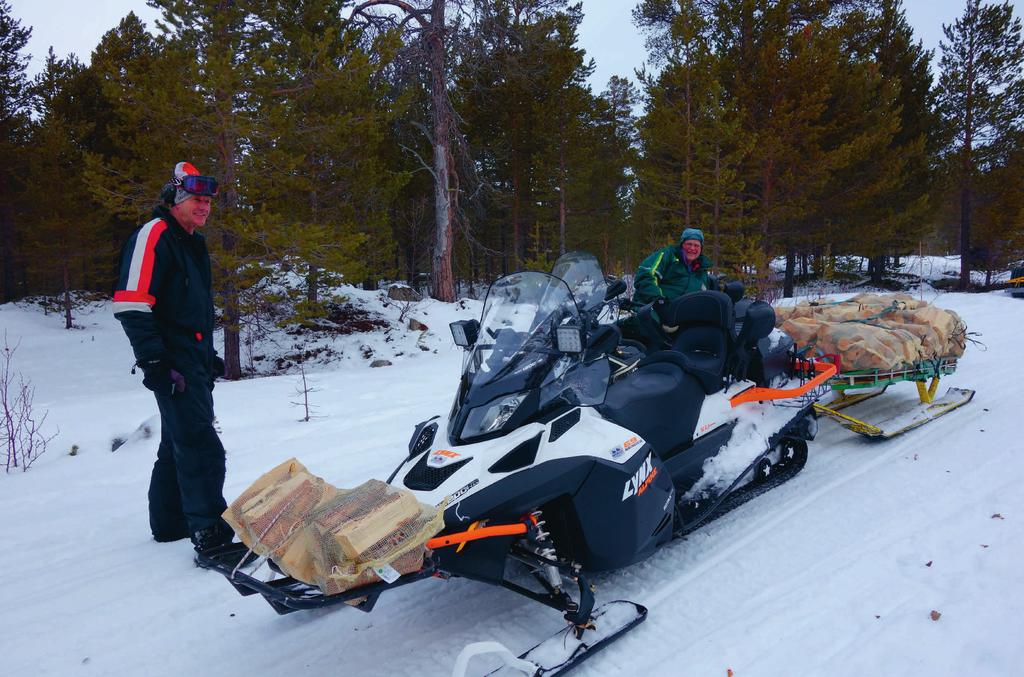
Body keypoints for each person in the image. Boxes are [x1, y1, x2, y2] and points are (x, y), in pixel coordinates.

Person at [113, 161, 234, 554]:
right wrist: (154, 362)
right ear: (177, 198)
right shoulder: (155, 235)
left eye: (207, 201)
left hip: (192, 357)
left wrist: (207, 355)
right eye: (196, 199)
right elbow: (132, 304)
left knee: (178, 440)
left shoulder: (191, 240)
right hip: (171, 360)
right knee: (200, 444)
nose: (203, 207)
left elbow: (190, 308)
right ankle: (209, 533)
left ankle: (169, 523)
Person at [632, 227, 716, 306]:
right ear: (682, 244)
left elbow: (705, 294)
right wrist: (658, 299)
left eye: (696, 245)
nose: (692, 248)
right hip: (654, 306)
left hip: (684, 314)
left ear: (701, 249)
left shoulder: (701, 270)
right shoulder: (668, 255)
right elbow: (646, 274)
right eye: (689, 244)